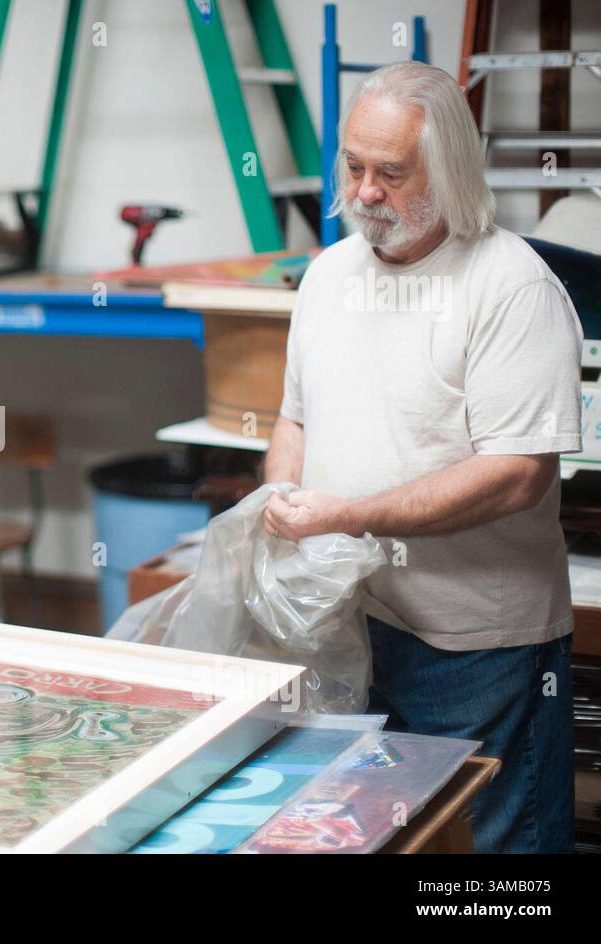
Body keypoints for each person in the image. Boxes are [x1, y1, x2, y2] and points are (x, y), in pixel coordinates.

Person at [262, 61, 581, 853]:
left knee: (501, 857)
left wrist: (348, 514)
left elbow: (517, 473)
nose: (365, 192)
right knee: (385, 838)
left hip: (479, 645)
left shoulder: (512, 288)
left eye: (392, 174)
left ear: (448, 170)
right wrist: (282, 496)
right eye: (355, 167)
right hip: (358, 623)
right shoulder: (328, 277)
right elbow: (293, 419)